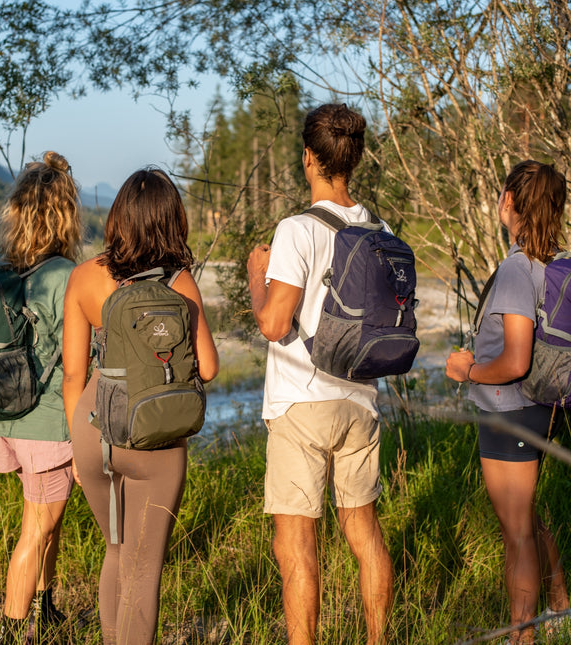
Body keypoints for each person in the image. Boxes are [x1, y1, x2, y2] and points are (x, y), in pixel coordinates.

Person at [247, 103, 394, 645]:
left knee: (296, 544)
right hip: (361, 402)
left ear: (309, 157)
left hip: (300, 403)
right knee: (364, 531)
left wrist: (256, 275)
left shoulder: (296, 230)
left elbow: (273, 322)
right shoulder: (381, 228)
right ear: (352, 159)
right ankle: (377, 638)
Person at [62, 167, 219, 645]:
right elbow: (208, 369)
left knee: (117, 552)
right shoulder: (180, 282)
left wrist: (75, 445)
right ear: (172, 221)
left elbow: (72, 373)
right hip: (154, 434)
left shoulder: (85, 275)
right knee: (143, 570)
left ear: (118, 218)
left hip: (94, 428)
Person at [446, 160, 570, 644]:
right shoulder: (551, 263)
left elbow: (516, 360)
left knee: (515, 529)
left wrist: (467, 370)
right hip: (537, 409)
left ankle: (523, 636)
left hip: (510, 409)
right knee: (526, 515)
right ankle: (558, 605)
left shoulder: (519, 270)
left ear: (511, 201)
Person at [0, 151, 82, 644]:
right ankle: (10, 631)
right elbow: (79, 361)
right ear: (65, 212)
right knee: (36, 527)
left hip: (6, 413)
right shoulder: (66, 275)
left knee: (49, 517)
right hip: (46, 421)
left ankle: (47, 610)